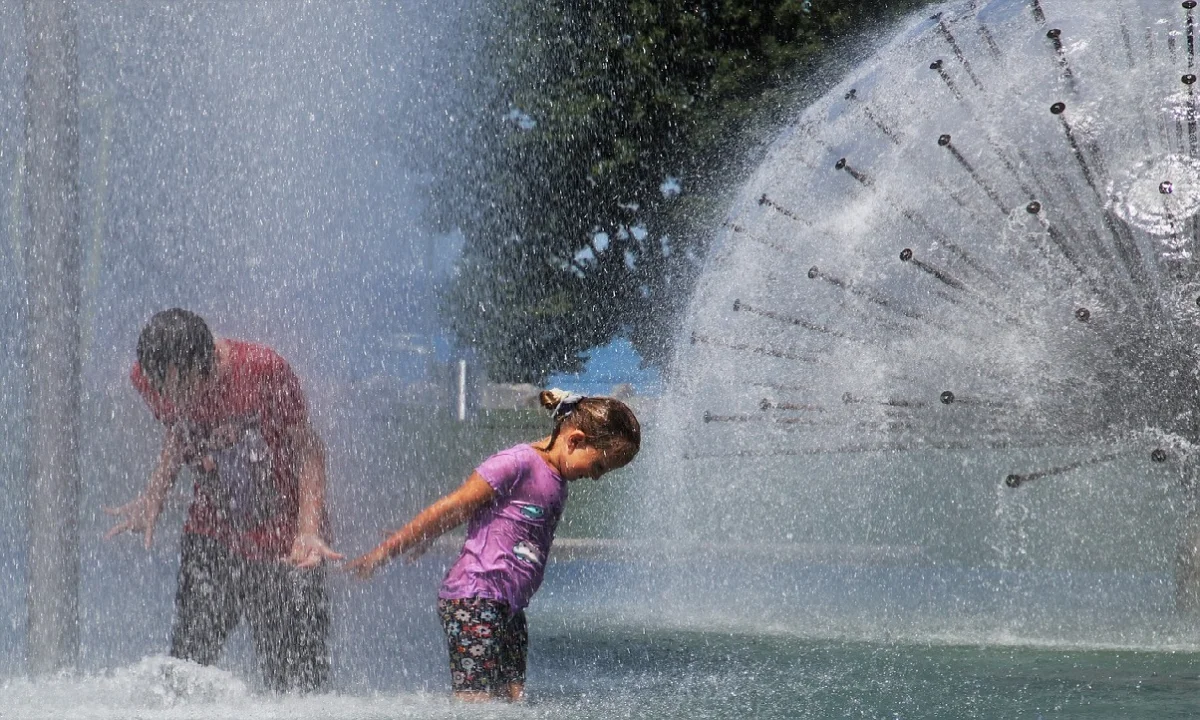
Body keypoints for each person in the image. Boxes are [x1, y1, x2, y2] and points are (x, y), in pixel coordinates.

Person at [345, 389, 641, 701]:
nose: (595, 478)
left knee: (511, 699)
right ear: (575, 440)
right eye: (597, 467)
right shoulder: (517, 463)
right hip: (475, 597)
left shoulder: (558, 478)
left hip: (509, 606)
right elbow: (456, 506)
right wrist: (387, 551)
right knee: (476, 702)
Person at [105, 308, 342, 693]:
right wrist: (155, 495)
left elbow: (309, 448)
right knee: (185, 671)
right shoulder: (149, 376)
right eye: (165, 390)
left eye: (184, 388)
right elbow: (180, 430)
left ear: (209, 363)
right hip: (212, 535)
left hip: (286, 543)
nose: (174, 399)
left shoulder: (263, 370)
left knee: (297, 689)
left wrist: (308, 531)